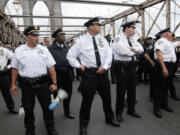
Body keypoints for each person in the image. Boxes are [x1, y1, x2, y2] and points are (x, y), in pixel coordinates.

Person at [67, 17, 120, 135]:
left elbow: (109, 54)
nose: (100, 27)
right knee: (87, 101)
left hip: (102, 74)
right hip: (89, 74)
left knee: (107, 98)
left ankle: (110, 118)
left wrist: (105, 67)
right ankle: (83, 125)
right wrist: (78, 66)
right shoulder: (81, 42)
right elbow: (70, 56)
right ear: (91, 26)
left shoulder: (103, 40)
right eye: (98, 25)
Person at [11, 26, 59, 135]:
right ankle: (29, 129)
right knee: (28, 109)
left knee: (47, 108)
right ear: (27, 37)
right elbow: (14, 68)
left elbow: (51, 68)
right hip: (27, 85)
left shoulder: (43, 49)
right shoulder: (19, 51)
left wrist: (54, 83)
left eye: (37, 35)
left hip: (43, 84)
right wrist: (13, 84)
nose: (37, 38)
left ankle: (50, 128)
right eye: (34, 35)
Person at [112, 21, 144, 122]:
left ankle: (131, 110)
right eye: (133, 28)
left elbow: (141, 49)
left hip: (131, 66)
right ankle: (118, 113)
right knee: (121, 91)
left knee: (132, 90)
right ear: (126, 28)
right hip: (122, 67)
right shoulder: (118, 38)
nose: (134, 30)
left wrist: (132, 48)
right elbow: (123, 51)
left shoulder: (132, 39)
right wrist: (132, 51)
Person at [153, 28, 180, 118]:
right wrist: (164, 68)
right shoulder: (160, 41)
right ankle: (157, 108)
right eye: (169, 32)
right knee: (159, 88)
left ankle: (165, 105)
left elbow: (178, 43)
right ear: (165, 34)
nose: (171, 34)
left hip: (170, 66)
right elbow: (159, 54)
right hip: (163, 65)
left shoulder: (169, 42)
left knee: (165, 87)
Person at [48, 28, 75, 119]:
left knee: (68, 94)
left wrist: (72, 73)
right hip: (56, 75)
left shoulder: (68, 47)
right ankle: (50, 113)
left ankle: (67, 112)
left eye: (64, 35)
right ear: (56, 37)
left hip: (67, 74)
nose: (64, 37)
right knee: (54, 95)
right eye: (61, 35)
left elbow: (72, 59)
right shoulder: (50, 49)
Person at [0, 40, 18, 114]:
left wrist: (9, 66)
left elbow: (15, 59)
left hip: (2, 74)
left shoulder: (4, 50)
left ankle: (11, 107)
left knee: (6, 93)